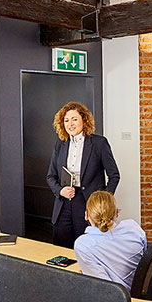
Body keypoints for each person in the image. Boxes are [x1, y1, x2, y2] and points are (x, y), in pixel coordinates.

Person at [46, 102, 119, 248]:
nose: (70, 124)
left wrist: (102, 201)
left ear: (84, 120)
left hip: (88, 202)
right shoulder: (60, 144)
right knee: (61, 244)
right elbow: (51, 176)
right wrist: (60, 191)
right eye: (66, 120)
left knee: (87, 245)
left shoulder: (99, 143)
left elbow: (114, 176)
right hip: (64, 201)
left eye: (74, 119)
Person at [73, 191, 147, 290]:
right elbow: (145, 258)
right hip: (140, 289)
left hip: (117, 296)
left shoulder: (83, 245)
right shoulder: (133, 227)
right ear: (117, 213)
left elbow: (103, 288)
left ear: (87, 215)